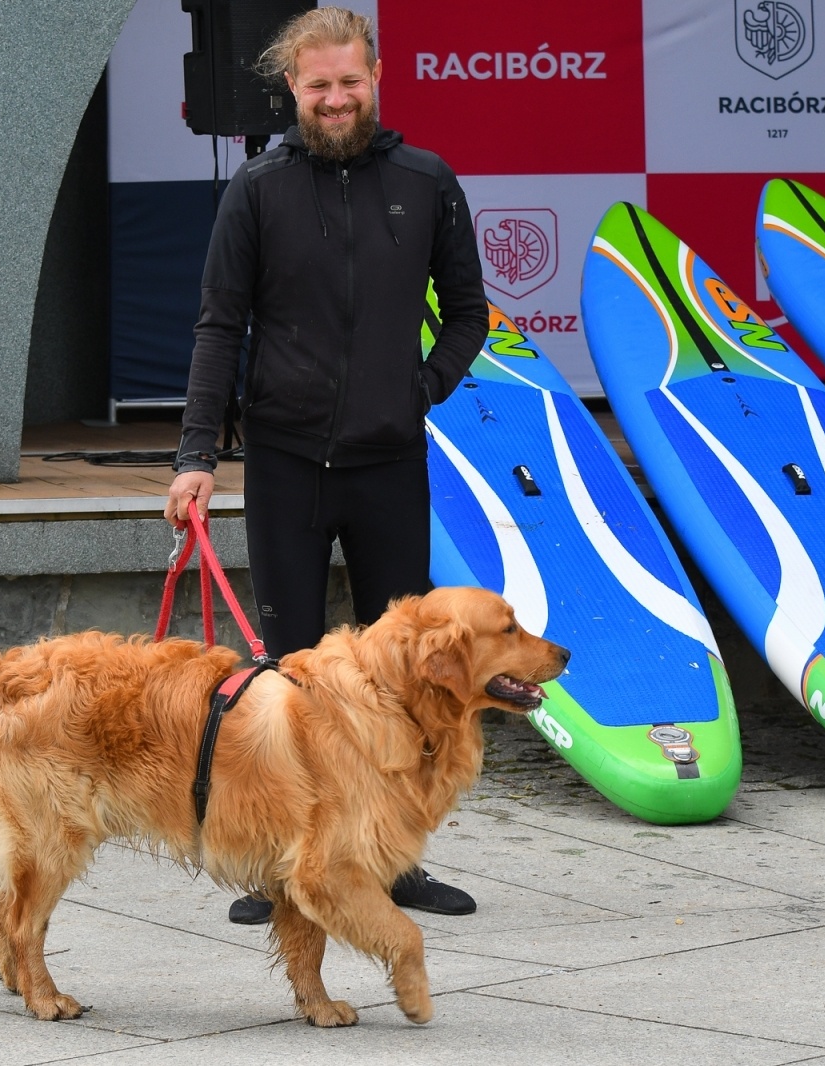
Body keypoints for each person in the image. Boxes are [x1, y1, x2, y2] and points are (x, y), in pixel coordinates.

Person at [165, 7, 490, 926]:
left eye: (350, 82)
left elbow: (469, 312)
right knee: (286, 677)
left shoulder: (426, 181)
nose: (336, 99)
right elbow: (219, 327)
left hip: (391, 463)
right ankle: (283, 867)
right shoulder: (258, 189)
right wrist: (196, 457)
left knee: (412, 678)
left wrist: (414, 388)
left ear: (374, 77)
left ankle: (395, 864)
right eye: (318, 86)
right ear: (294, 90)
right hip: (284, 463)